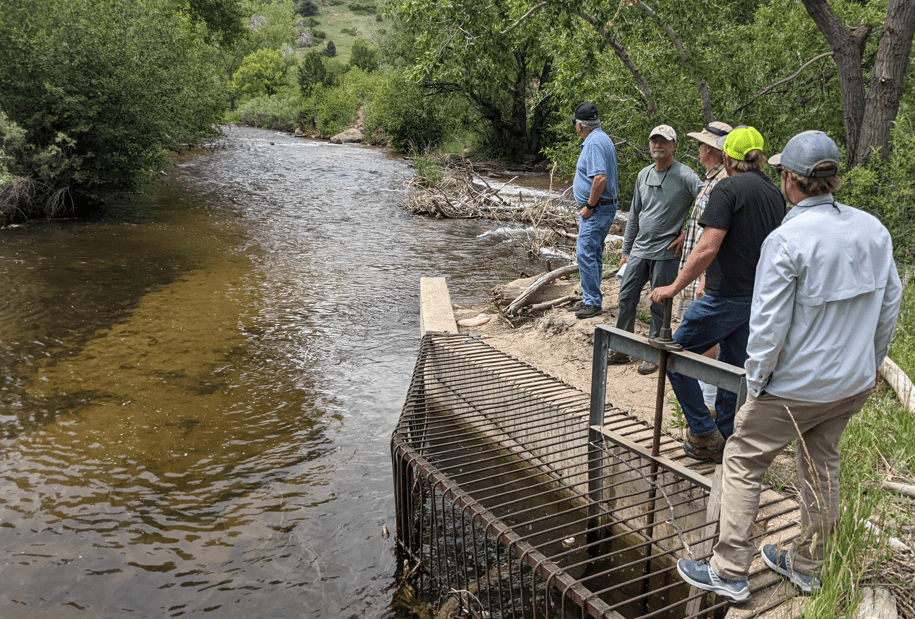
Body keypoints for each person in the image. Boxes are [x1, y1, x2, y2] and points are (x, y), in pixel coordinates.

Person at [675, 130, 903, 603]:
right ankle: (807, 566)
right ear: (834, 178)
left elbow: (768, 325)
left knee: (742, 458)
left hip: (795, 388)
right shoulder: (872, 230)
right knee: (822, 465)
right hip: (851, 383)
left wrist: (757, 383)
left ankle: (729, 569)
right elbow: (890, 306)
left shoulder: (787, 240)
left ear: (789, 180)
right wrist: (872, 363)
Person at [650, 126, 784, 462]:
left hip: (724, 297)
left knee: (675, 356)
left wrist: (674, 285)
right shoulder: (773, 192)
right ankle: (725, 437)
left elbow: (708, 246)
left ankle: (703, 432)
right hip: (756, 298)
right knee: (731, 370)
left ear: (727, 157)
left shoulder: (727, 188)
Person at [607, 125, 699, 373]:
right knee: (626, 298)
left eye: (664, 141)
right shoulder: (643, 175)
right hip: (639, 249)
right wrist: (626, 251)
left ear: (673, 146)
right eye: (654, 141)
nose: (658, 145)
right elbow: (634, 216)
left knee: (659, 304)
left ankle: (655, 354)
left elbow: (708, 200)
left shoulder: (685, 175)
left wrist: (687, 231)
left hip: (666, 252)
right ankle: (622, 349)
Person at [678, 121, 733, 411]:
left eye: (701, 144)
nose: (698, 148)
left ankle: (708, 401)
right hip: (698, 269)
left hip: (704, 273)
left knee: (703, 336)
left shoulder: (723, 181)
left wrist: (704, 278)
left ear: (710, 148)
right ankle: (705, 394)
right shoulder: (711, 179)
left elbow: (720, 237)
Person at [566, 102, 619, 319]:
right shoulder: (600, 138)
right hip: (602, 208)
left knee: (585, 252)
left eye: (575, 124)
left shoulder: (594, 143)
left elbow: (600, 177)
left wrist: (589, 206)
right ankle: (591, 299)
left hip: (598, 209)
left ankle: (592, 303)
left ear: (580, 126)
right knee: (594, 253)